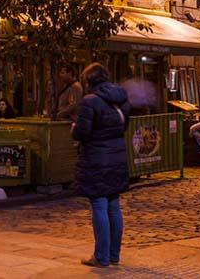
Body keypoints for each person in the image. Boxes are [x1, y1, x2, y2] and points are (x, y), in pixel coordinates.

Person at [73, 62, 131, 269]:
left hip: (96, 159)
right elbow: (124, 126)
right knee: (113, 205)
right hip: (117, 157)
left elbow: (82, 133)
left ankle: (101, 257)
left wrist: (74, 129)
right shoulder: (121, 98)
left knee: (99, 204)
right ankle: (114, 255)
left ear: (89, 81)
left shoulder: (90, 101)